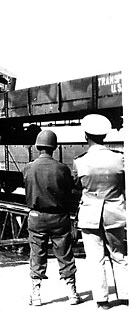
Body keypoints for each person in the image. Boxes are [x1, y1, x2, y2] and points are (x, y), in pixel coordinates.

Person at [73, 114, 128, 310]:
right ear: (105, 136)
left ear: (86, 135)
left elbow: (76, 187)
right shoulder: (120, 159)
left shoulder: (80, 162)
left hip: (90, 215)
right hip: (116, 213)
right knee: (119, 255)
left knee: (95, 258)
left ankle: (102, 300)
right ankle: (125, 295)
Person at [23, 129, 82, 306]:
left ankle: (36, 295)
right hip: (59, 218)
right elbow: (70, 192)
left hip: (36, 217)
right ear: (54, 148)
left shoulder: (28, 168)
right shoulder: (62, 169)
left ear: (37, 146)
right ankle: (72, 293)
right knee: (65, 255)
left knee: (37, 254)